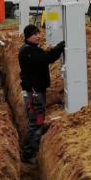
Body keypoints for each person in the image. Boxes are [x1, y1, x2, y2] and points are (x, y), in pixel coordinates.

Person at [18, 24, 65, 162]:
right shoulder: (28, 51)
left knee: (36, 121)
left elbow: (45, 56)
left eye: (39, 33)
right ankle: (29, 154)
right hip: (34, 94)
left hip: (35, 92)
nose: (39, 36)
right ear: (28, 37)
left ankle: (30, 151)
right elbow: (46, 58)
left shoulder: (31, 49)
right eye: (35, 34)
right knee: (36, 122)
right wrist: (59, 48)